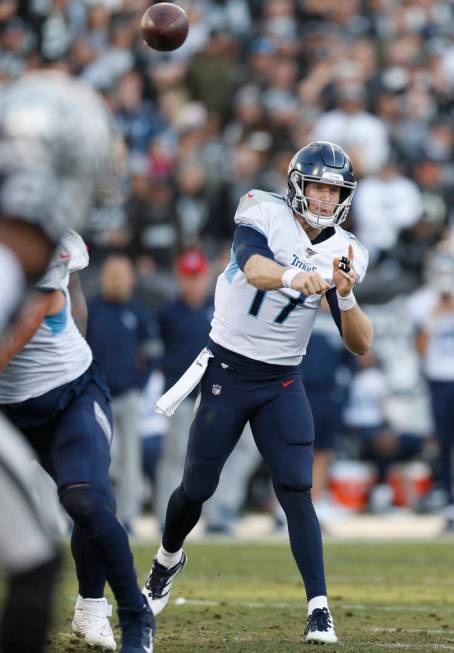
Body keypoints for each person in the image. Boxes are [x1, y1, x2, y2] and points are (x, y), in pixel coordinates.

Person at [143, 141, 372, 644]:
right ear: (296, 185)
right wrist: (300, 276)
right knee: (197, 488)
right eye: (317, 186)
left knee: (295, 488)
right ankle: (167, 559)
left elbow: (360, 344)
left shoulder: (347, 250)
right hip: (228, 368)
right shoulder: (261, 209)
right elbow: (253, 267)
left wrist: (346, 293)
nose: (325, 198)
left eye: (334, 190)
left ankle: (319, 607)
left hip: (282, 380)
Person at [0, 69, 119, 653]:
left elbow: (65, 303)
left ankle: (94, 608)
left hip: (57, 392)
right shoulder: (15, 249)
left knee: (50, 535)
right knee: (34, 557)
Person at [87, 254, 160, 532]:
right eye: (112, 273)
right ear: (103, 277)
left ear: (131, 278)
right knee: (98, 455)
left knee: (130, 457)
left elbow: (152, 352)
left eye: (122, 273)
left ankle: (127, 516)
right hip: (96, 396)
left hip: (128, 396)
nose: (117, 279)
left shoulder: (138, 312)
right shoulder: (92, 310)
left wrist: (138, 384)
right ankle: (94, 513)